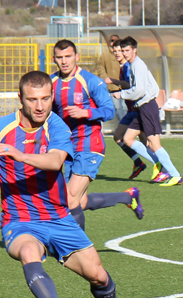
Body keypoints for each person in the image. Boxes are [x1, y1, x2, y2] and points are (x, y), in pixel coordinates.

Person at [0, 71, 139, 298]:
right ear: (20, 98)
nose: (39, 106)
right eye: (32, 99)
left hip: (59, 218)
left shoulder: (57, 126)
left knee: (98, 276)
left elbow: (54, 161)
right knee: (28, 252)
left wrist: (18, 154)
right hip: (19, 220)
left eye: (46, 99)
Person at [50, 39, 144, 231]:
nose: (64, 61)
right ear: (54, 59)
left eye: (68, 56)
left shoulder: (91, 81)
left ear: (77, 57)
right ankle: (127, 196)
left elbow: (109, 111)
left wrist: (86, 113)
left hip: (89, 144)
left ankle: (79, 250)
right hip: (66, 148)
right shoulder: (51, 83)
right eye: (60, 58)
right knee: (78, 201)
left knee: (70, 198)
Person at [114, 36, 182, 186]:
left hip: (147, 106)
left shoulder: (137, 65)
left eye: (127, 50)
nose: (124, 53)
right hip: (140, 107)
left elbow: (139, 90)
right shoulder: (132, 65)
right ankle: (158, 165)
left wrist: (122, 94)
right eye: (122, 50)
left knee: (154, 143)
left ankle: (175, 174)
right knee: (128, 139)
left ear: (134, 50)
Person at [105, 39, 148, 180]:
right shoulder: (124, 66)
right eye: (115, 51)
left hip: (137, 110)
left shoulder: (128, 67)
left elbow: (129, 85)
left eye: (120, 51)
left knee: (147, 142)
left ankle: (162, 167)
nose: (117, 54)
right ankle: (138, 162)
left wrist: (113, 82)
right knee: (118, 136)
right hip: (131, 111)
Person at [96, 34, 128, 122]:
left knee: (125, 107)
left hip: (124, 87)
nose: (113, 42)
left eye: (116, 41)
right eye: (112, 40)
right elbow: (100, 67)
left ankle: (126, 126)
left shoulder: (123, 56)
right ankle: (124, 125)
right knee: (118, 108)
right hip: (112, 88)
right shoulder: (105, 55)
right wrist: (105, 78)